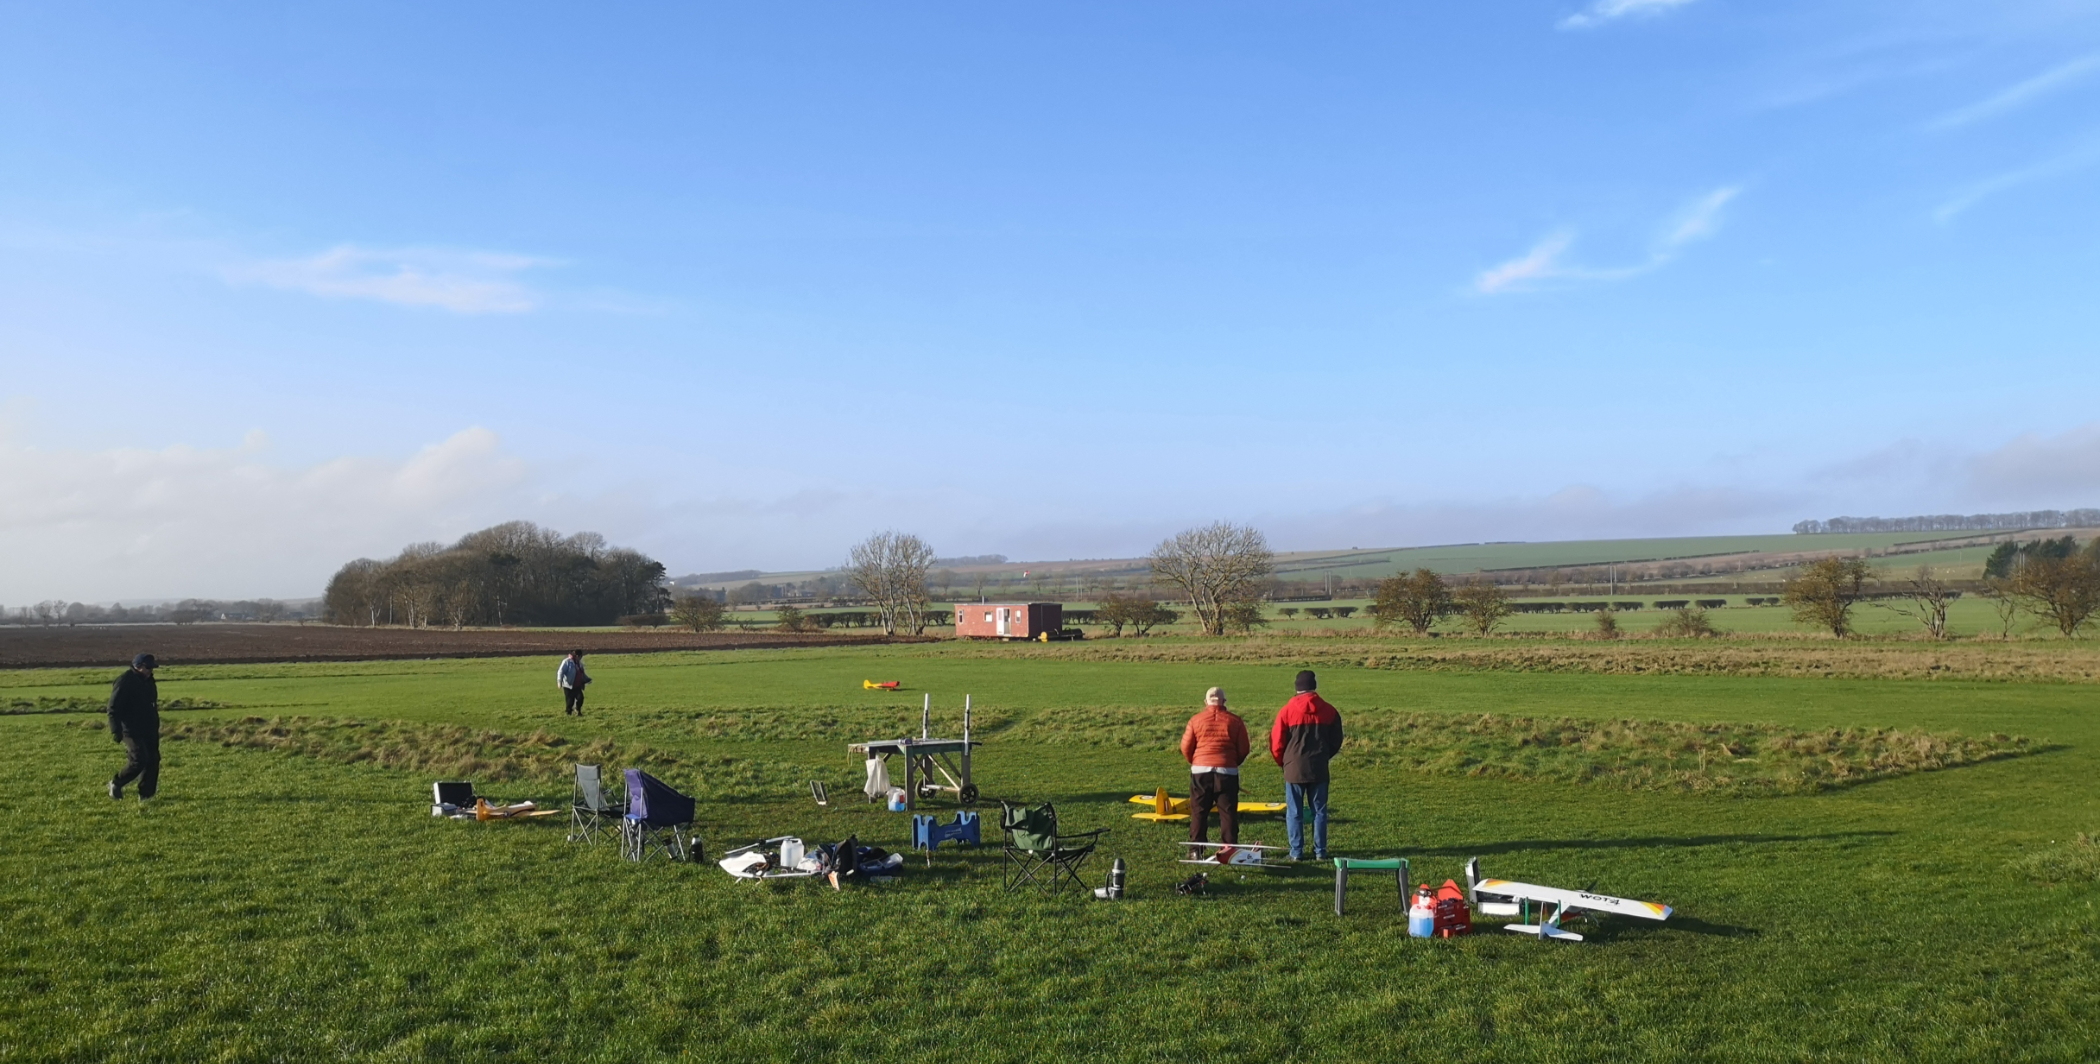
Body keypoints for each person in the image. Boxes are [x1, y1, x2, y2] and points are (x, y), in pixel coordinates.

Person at [1269, 669, 1344, 860]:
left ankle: (1296, 851)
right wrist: (1325, 755)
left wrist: (1283, 762)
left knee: (1294, 811)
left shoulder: (1286, 711)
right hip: (1319, 766)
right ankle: (1320, 851)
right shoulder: (1329, 711)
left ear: (1297, 687)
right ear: (1314, 686)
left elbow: (1276, 742)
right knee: (1319, 811)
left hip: (1293, 766)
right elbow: (1336, 740)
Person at [1180, 686, 1251, 845]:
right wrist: (1233, 762)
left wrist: (1195, 760)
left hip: (1200, 770)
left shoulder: (1195, 720)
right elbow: (1244, 748)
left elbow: (1185, 747)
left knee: (1199, 812)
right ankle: (1229, 847)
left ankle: (1196, 849)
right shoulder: (1235, 721)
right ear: (1224, 701)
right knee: (1228, 813)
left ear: (1205, 702)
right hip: (1227, 771)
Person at [108, 653, 160, 802]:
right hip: (130, 730)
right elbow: (113, 708)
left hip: (149, 728)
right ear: (138, 666)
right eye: (148, 668)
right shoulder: (124, 681)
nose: (150, 671)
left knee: (153, 760)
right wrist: (116, 730)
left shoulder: (149, 681)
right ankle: (117, 783)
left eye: (152, 668)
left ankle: (146, 795)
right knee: (139, 759)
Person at [557, 649, 591, 716]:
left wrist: (587, 679)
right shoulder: (567, 661)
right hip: (568, 685)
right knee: (570, 700)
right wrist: (559, 681)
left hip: (577, 685)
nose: (581, 658)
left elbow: (581, 673)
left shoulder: (579, 663)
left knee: (580, 698)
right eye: (581, 656)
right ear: (577, 656)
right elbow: (561, 671)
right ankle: (568, 713)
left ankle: (578, 710)